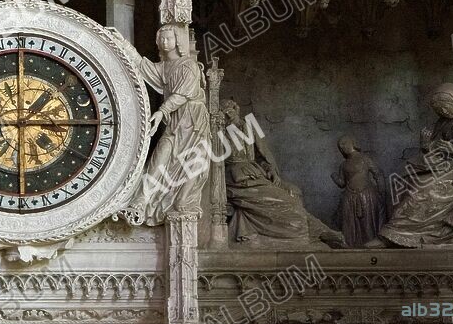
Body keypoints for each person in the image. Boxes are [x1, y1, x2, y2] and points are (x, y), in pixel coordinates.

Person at [372, 83, 453, 248]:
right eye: (439, 110)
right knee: (405, 179)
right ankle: (394, 232)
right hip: (442, 165)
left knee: (422, 189)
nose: (443, 112)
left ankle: (394, 234)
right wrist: (427, 144)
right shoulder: (443, 122)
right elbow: (435, 148)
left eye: (445, 108)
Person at [119, 24, 211, 226]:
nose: (164, 42)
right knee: (160, 158)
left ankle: (181, 202)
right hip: (175, 122)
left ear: (178, 41)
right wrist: (122, 43)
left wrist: (161, 111)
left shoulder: (188, 66)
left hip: (193, 122)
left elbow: (182, 95)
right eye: (161, 39)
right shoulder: (163, 67)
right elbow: (142, 66)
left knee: (192, 164)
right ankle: (141, 201)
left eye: (168, 38)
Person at [222, 99, 342, 246]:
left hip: (257, 174)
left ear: (237, 109)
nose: (228, 113)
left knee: (293, 193)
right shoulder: (220, 132)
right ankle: (318, 232)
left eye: (231, 109)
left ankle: (320, 231)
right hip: (237, 179)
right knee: (286, 202)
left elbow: (263, 153)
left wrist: (270, 169)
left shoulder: (251, 124)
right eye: (225, 111)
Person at [332, 136, 386, 247]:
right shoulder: (343, 165)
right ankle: (350, 246)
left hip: (367, 195)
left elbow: (378, 173)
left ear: (353, 143)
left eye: (344, 143)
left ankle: (370, 245)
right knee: (349, 224)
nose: (342, 147)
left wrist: (382, 190)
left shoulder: (364, 159)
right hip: (349, 197)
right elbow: (342, 183)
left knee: (367, 223)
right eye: (340, 146)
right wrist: (334, 177)